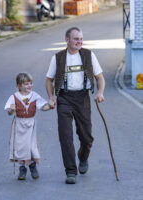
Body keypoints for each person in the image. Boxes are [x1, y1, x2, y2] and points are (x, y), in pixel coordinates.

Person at [45, 27, 105, 184]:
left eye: (81, 38)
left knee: (86, 137)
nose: (79, 41)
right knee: (65, 136)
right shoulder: (57, 58)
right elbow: (48, 80)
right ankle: (70, 171)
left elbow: (100, 77)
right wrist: (51, 97)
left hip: (82, 98)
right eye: (76, 39)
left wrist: (100, 92)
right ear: (67, 40)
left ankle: (83, 156)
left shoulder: (88, 55)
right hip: (64, 98)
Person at [5, 72, 50, 180]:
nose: (29, 86)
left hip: (30, 123)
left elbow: (42, 108)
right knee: (20, 146)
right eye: (26, 84)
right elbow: (9, 112)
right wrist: (12, 109)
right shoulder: (14, 97)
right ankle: (22, 168)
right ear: (19, 86)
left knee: (30, 145)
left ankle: (32, 165)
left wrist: (50, 106)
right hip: (19, 124)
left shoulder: (34, 96)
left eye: (30, 83)